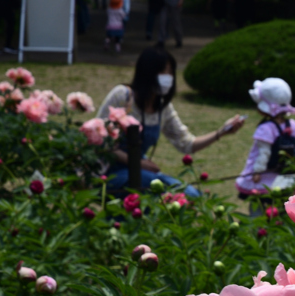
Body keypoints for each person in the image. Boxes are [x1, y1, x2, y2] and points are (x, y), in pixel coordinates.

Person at [98, 47, 245, 196]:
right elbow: (99, 140)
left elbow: (187, 143)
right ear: (147, 73)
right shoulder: (123, 95)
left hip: (142, 171)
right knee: (156, 188)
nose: (168, 77)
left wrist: (221, 132)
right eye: (163, 72)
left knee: (192, 195)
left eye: (170, 73)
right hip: (108, 172)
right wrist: (138, 163)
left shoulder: (163, 107)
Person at [236, 78, 295, 213]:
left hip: (265, 180)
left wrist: (257, 171)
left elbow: (264, 153)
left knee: (260, 212)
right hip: (287, 178)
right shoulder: (293, 124)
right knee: (283, 211)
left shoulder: (266, 128)